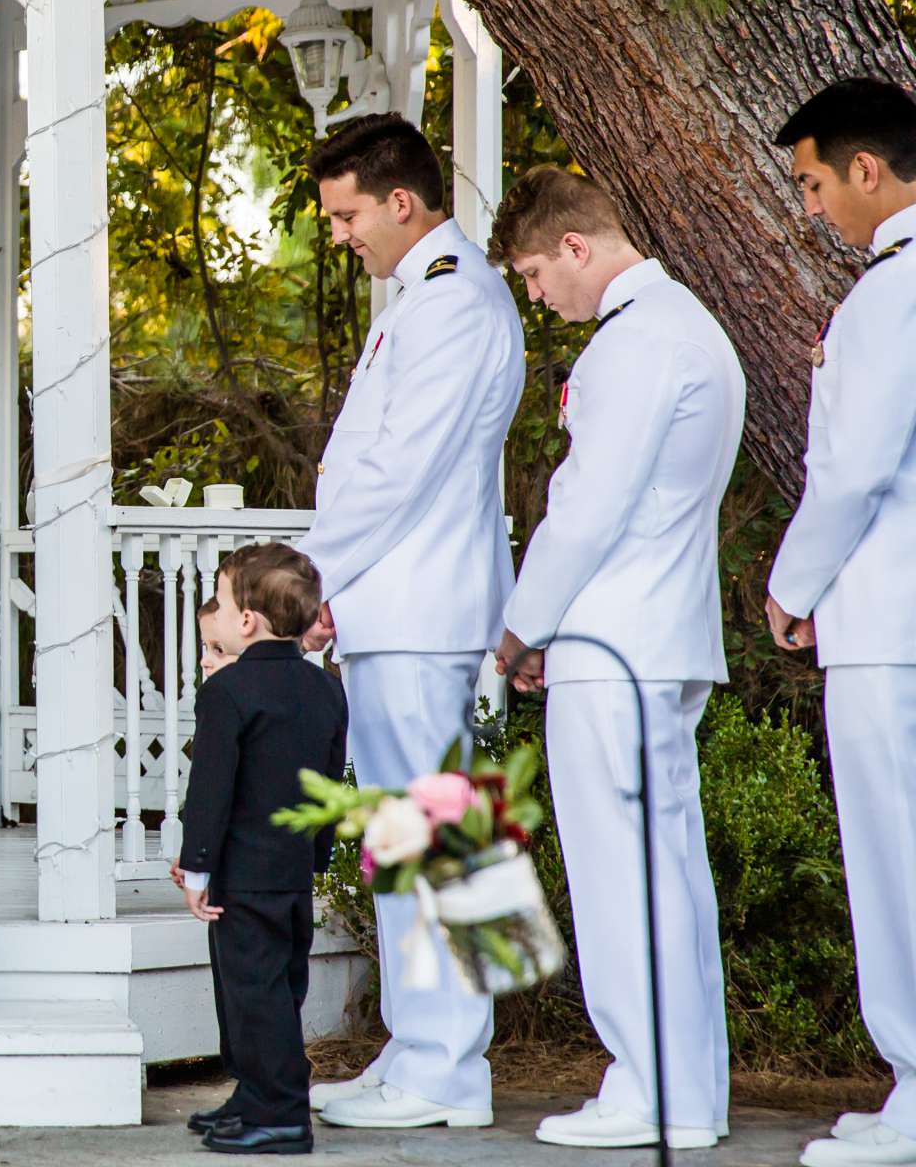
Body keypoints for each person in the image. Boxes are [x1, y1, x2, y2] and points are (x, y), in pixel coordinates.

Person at [489, 167, 741, 1152]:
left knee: (621, 877)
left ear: (578, 247)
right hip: (656, 637)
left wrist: (521, 627)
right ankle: (687, 1086)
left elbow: (585, 509)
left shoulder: (634, 345)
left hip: (612, 642)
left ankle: (648, 1085)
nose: (537, 294)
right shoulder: (691, 331)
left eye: (536, 273)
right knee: (664, 872)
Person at [294, 114, 521, 1130]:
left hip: (423, 605)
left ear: (401, 199)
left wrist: (313, 578)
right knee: (409, 837)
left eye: (347, 214)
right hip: (401, 603)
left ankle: (451, 1068)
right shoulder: (423, 297)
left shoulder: (453, 300)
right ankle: (416, 1046)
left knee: (442, 839)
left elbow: (401, 466)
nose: (341, 234)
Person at [761, 78, 916, 1167]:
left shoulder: (889, 296)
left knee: (897, 856)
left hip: (889, 616)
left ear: (868, 170)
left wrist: (793, 583)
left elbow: (857, 467)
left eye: (815, 183)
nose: (811, 206)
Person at [175, 543, 347, 1156]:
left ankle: (279, 1112)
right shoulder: (325, 689)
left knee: (252, 992)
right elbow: (331, 774)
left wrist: (196, 864)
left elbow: (212, 787)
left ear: (246, 620)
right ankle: (255, 1093)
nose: (217, 615)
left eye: (220, 604)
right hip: (293, 870)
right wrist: (320, 852)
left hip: (243, 873)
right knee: (278, 985)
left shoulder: (227, 692)